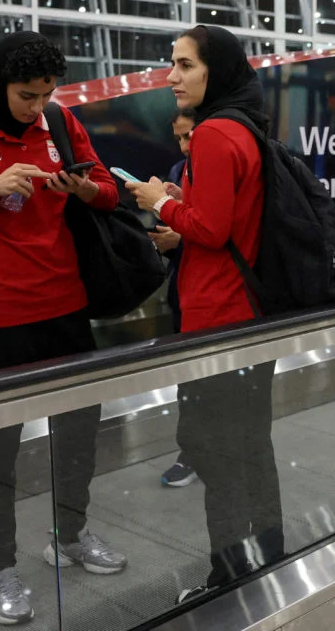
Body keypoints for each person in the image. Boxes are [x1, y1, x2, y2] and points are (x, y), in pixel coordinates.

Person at [0, 31, 126, 626]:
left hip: (66, 307)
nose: (37, 107)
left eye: (45, 94)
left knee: (79, 433)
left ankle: (70, 534)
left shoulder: (60, 124)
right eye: (26, 96)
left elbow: (109, 194)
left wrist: (80, 187)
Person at [127, 25, 282, 604]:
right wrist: (181, 203)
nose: (172, 76)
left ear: (216, 70)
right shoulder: (246, 126)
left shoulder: (215, 132)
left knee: (218, 455)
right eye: (173, 63)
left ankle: (228, 577)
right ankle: (268, 558)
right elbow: (229, 221)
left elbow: (212, 231)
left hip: (218, 319)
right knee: (252, 448)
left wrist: (159, 203)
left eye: (186, 65)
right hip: (248, 313)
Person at [151, 108, 197, 488]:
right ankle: (192, 452)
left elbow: (221, 233)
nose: (184, 146)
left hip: (219, 295)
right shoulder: (177, 172)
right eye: (179, 138)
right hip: (184, 286)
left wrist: (181, 239)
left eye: (189, 136)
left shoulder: (222, 168)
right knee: (190, 378)